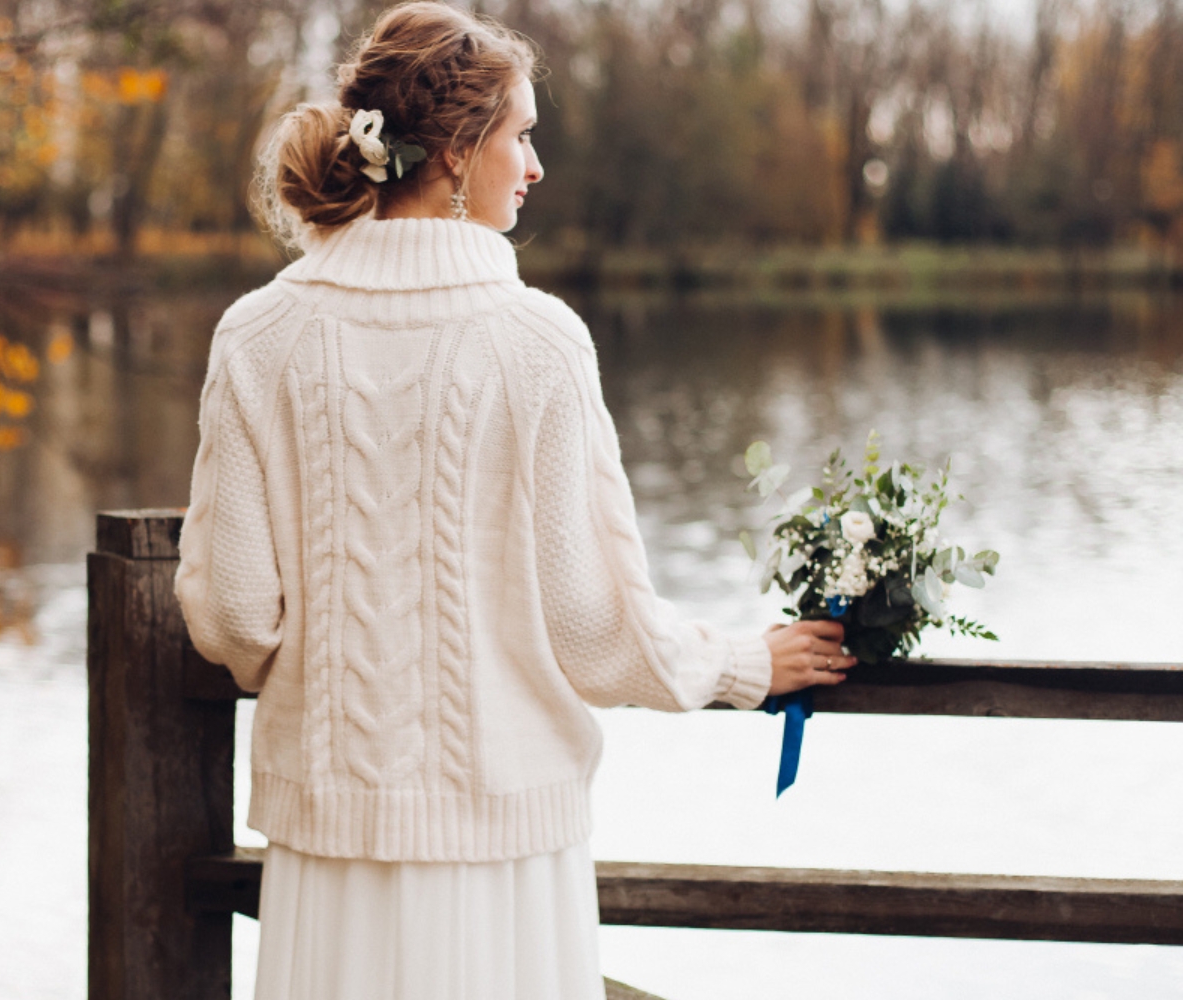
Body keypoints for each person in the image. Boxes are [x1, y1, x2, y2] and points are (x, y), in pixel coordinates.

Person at [175, 4, 854, 998]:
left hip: (329, 842)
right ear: (454, 151)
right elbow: (592, 628)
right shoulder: (536, 342)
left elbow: (234, 614)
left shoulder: (257, 336)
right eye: (523, 136)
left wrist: (331, 691)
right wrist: (746, 661)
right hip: (500, 847)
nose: (535, 167)